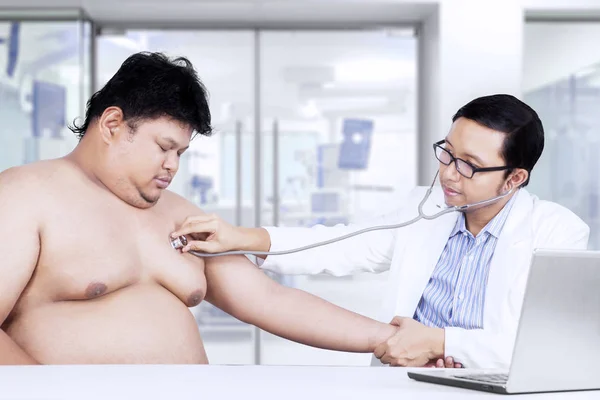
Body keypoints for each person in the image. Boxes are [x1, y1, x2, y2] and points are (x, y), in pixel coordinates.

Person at [0, 52, 400, 365]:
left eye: (182, 152)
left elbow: (270, 300)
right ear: (111, 124)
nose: (174, 165)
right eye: (164, 147)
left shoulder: (177, 212)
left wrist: (389, 339)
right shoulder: (27, 194)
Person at [171, 94, 590, 369]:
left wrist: (442, 343)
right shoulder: (425, 208)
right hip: (405, 383)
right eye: (447, 152)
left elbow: (544, 347)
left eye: (469, 164)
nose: (448, 172)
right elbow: (341, 245)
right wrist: (241, 236)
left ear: (515, 178)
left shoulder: (557, 233)